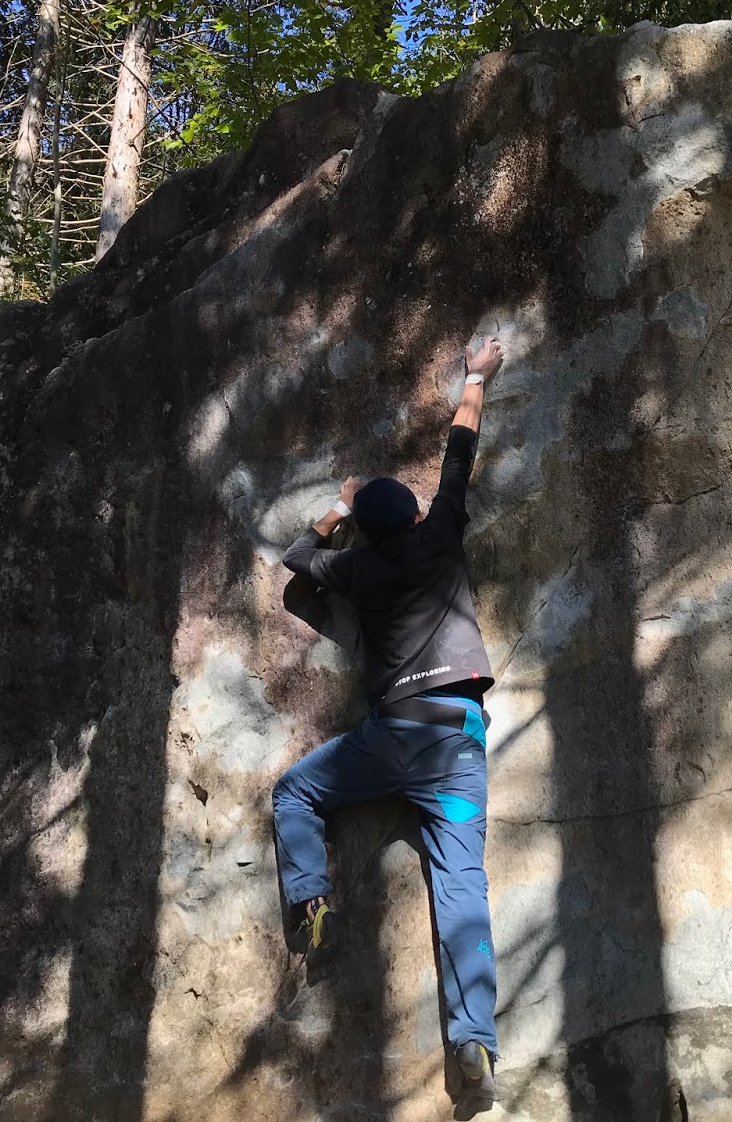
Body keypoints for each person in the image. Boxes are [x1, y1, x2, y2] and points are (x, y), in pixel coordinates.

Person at [273, 335, 507, 1106]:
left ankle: (314, 904)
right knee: (462, 887)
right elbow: (460, 450)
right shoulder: (439, 534)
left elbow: (295, 560)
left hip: (394, 734)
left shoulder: (358, 567)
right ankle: (473, 1040)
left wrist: (339, 508)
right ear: (412, 514)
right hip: (459, 739)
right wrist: (474, 376)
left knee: (295, 794)